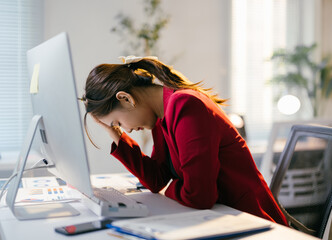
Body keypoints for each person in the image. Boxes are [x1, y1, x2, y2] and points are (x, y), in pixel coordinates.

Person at [80, 56, 288, 226]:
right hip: (223, 218)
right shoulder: (162, 116)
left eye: (117, 122)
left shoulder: (184, 104)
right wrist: (114, 133)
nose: (126, 130)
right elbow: (156, 179)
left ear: (126, 98)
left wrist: (169, 189)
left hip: (252, 222)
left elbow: (198, 196)